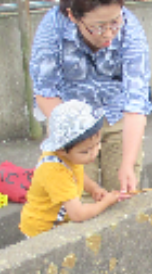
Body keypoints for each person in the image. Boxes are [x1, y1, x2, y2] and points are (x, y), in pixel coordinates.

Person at [30, 0, 152, 197]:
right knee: (78, 198)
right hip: (71, 122)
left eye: (114, 23)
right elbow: (45, 91)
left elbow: (137, 101)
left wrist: (128, 164)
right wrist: (75, 135)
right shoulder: (52, 27)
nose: (108, 34)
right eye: (98, 27)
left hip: (116, 118)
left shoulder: (131, 29)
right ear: (73, 17)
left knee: (123, 196)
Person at [19, 100, 121, 238]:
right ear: (61, 150)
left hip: (59, 221)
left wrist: (93, 188)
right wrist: (106, 203)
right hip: (42, 230)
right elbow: (77, 214)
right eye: (85, 151)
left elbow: (78, 174)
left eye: (97, 145)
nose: (93, 154)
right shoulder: (55, 171)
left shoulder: (71, 157)